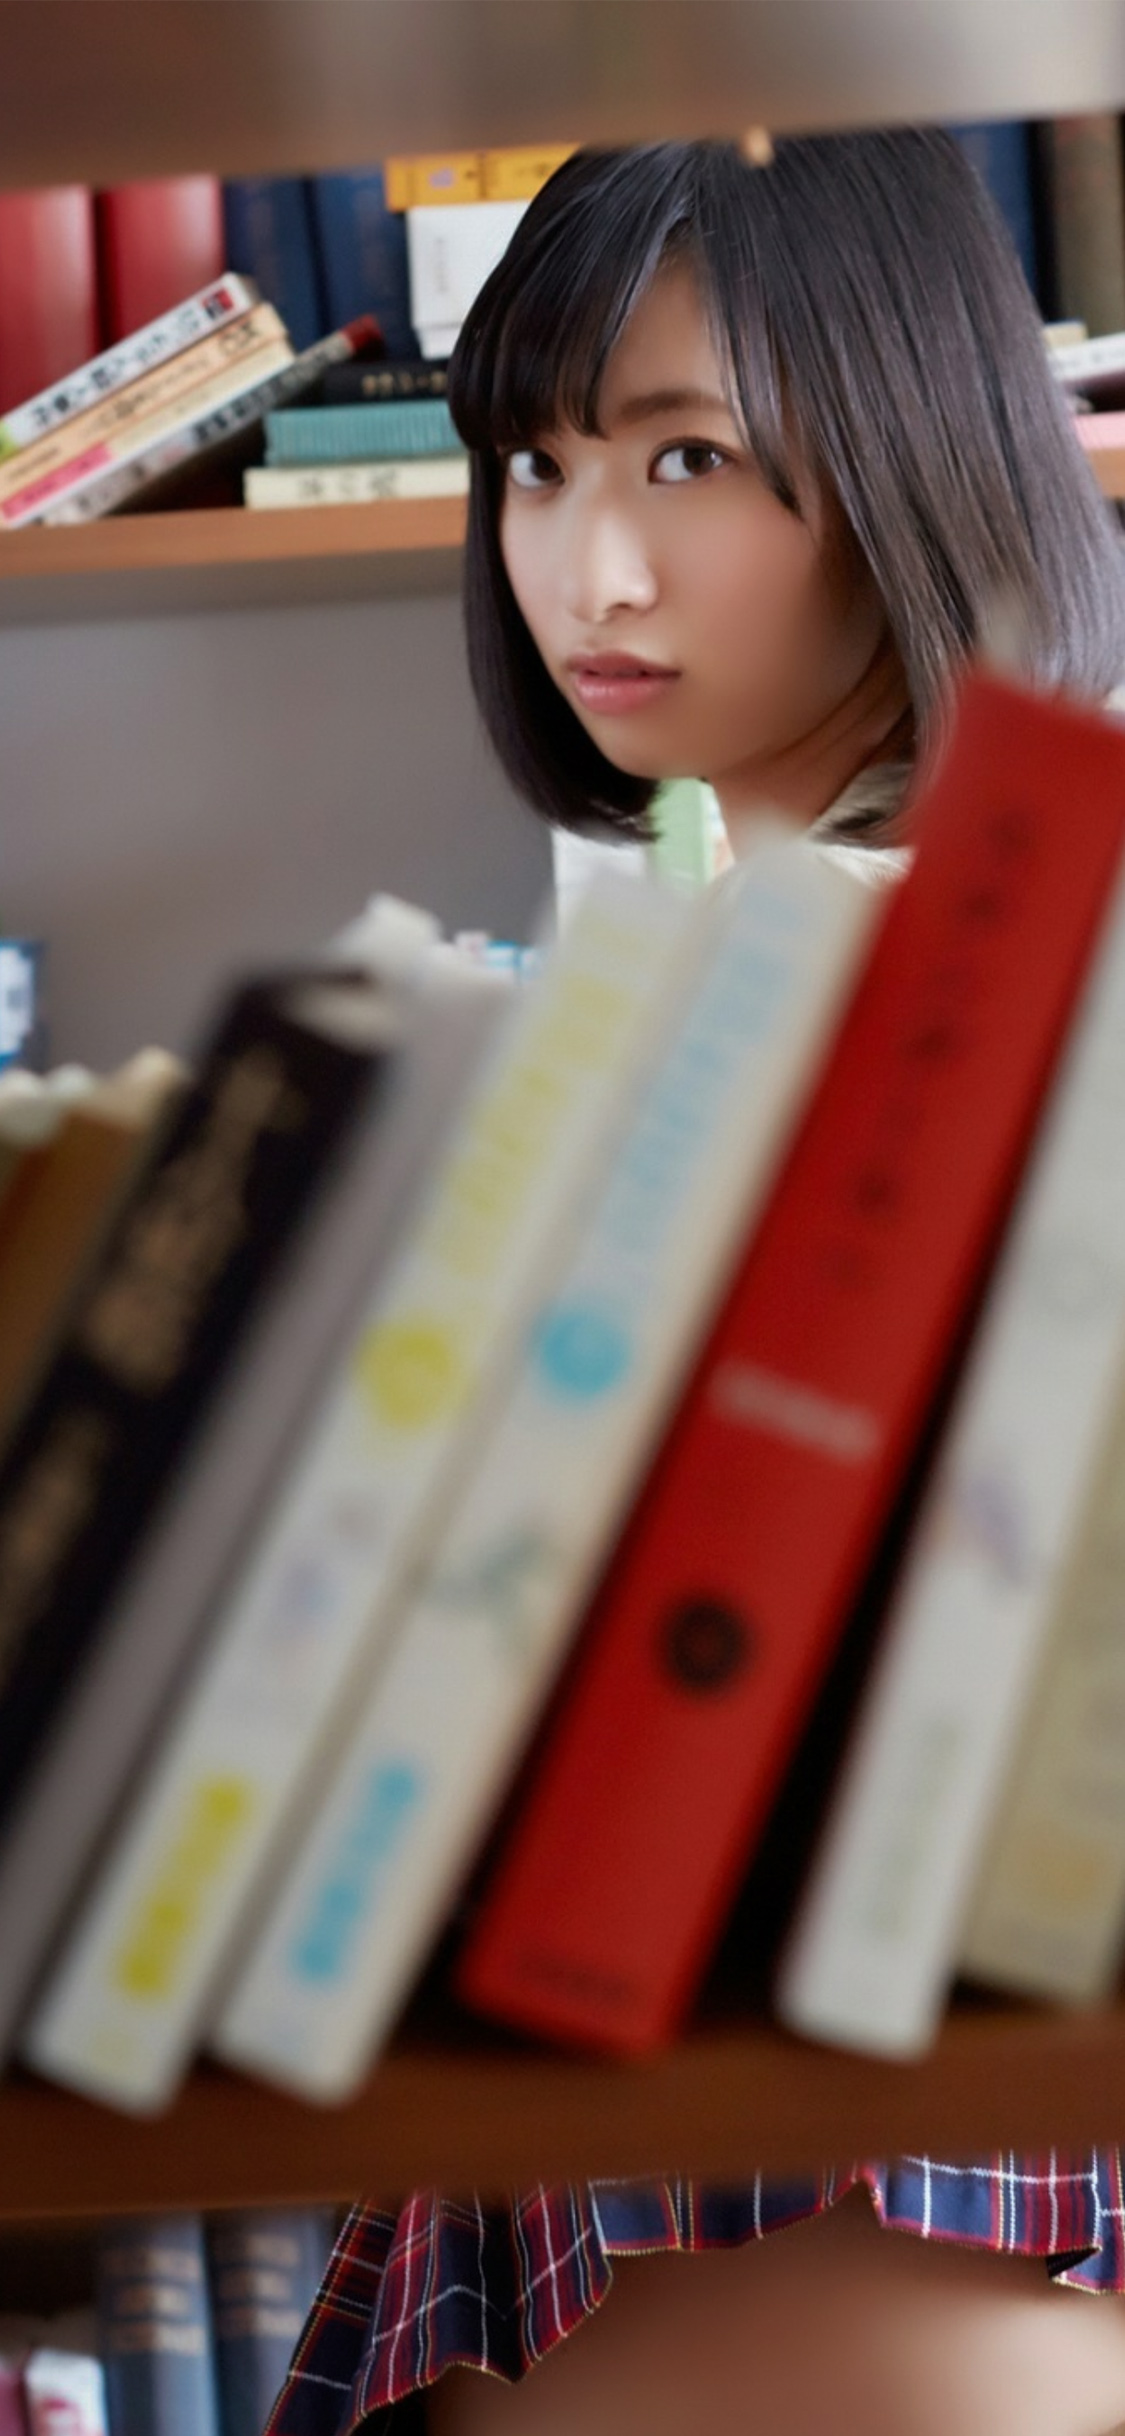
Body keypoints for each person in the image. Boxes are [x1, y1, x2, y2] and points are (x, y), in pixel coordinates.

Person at [268, 130, 1125, 2436]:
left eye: (685, 459)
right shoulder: (758, 967)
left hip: (851, 2210)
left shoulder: (919, 988)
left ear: (909, 454)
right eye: (534, 468)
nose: (594, 567)